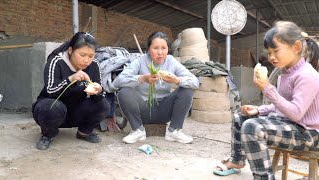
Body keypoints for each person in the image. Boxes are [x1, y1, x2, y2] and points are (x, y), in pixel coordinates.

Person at [213, 21, 319, 179]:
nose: (271, 57)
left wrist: (267, 89)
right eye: (269, 53)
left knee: (252, 128)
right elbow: (281, 106)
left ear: (296, 47)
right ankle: (237, 160)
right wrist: (259, 110)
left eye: (276, 51)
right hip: (289, 124)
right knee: (240, 117)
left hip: (308, 133)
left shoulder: (307, 75)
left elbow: (296, 113)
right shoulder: (285, 72)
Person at [112, 31, 199, 144]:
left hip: (164, 109)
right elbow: (118, 81)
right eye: (155, 48)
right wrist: (143, 78)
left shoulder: (171, 61)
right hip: (143, 109)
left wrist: (176, 80)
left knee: (186, 89)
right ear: (148, 49)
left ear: (168, 49)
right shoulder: (140, 60)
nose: (160, 52)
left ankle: (174, 130)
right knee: (124, 92)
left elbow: (195, 82)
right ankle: (137, 130)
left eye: (163, 48)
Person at [32, 32, 110, 150]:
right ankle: (48, 134)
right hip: (52, 112)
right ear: (70, 50)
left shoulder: (94, 66)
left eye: (91, 56)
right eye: (82, 55)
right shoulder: (56, 61)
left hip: (76, 112)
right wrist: (70, 79)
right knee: (52, 106)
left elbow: (100, 95)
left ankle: (84, 133)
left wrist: (98, 90)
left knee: (103, 104)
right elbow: (51, 91)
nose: (86, 61)